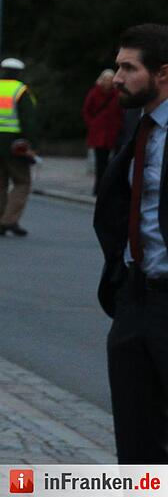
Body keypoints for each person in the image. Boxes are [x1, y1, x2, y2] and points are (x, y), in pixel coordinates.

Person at [95, 24, 168, 464]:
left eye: (128, 68)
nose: (117, 76)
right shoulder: (137, 126)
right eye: (117, 65)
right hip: (135, 298)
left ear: (163, 73)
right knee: (135, 440)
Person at [0, 57, 39, 236]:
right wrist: (33, 146)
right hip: (15, 146)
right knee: (22, 182)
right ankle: (9, 219)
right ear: (19, 73)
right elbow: (29, 121)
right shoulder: (20, 91)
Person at [84, 68, 124, 196]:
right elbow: (86, 110)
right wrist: (92, 124)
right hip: (99, 134)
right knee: (100, 163)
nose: (108, 82)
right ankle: (99, 188)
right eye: (105, 79)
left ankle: (108, 188)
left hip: (113, 133)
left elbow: (121, 112)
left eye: (110, 79)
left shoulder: (117, 94)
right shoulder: (95, 93)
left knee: (112, 163)